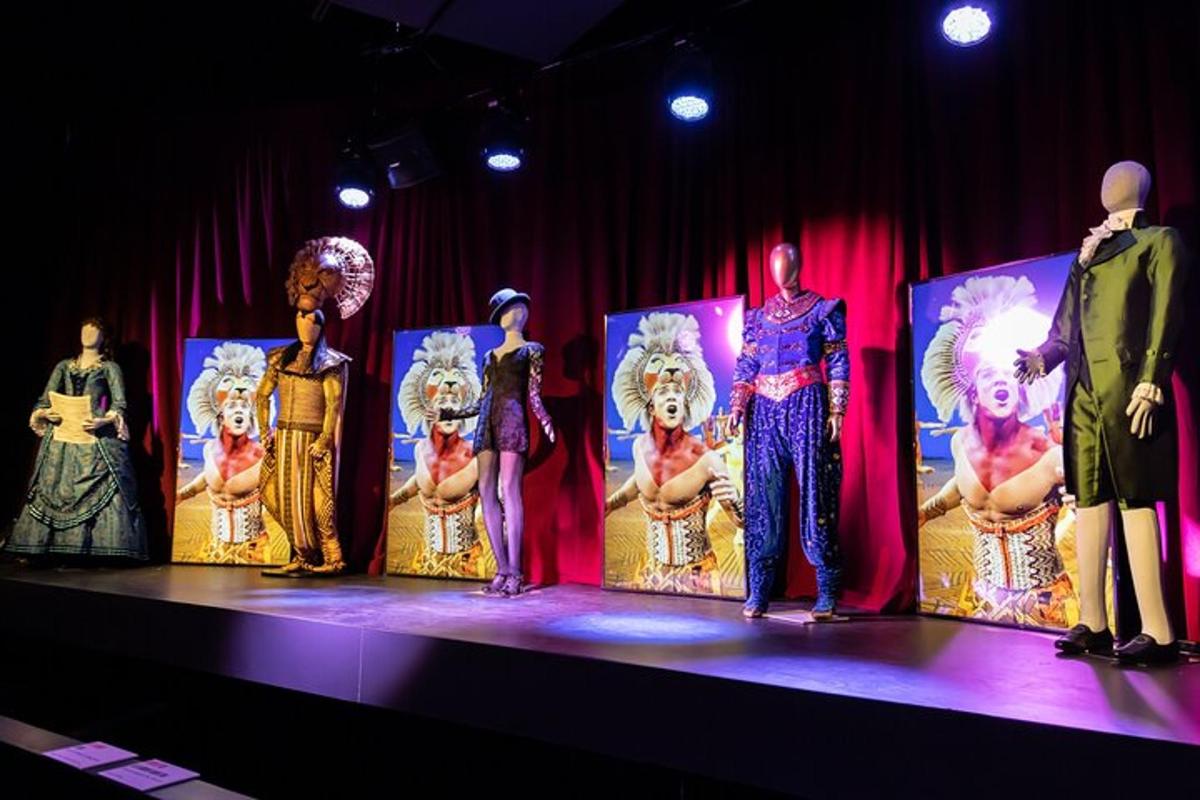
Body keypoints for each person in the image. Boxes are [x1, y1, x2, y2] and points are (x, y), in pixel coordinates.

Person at [1015, 160, 1188, 664]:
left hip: (1130, 390)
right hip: (1084, 395)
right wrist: (1042, 358)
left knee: (1136, 499)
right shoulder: (1086, 255)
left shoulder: (1160, 242)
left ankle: (1158, 629)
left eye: (1119, 177)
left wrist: (1153, 381)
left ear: (1138, 188)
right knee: (1088, 500)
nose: (1108, 184)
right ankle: (1092, 619)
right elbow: (1065, 327)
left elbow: (1166, 314)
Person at [918, 275, 1072, 626]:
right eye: (989, 374)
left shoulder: (1049, 455)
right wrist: (926, 512)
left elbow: (1084, 500)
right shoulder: (960, 442)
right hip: (982, 602)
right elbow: (961, 486)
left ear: (1022, 391)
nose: (1002, 380)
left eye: (1010, 375)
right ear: (974, 392)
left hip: (1045, 609)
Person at [730, 243, 848, 618]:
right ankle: (760, 590)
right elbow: (747, 363)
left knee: (815, 491)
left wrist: (837, 408)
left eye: (787, 261)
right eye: (776, 263)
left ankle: (826, 591)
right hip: (764, 409)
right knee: (764, 498)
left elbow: (838, 358)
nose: (781, 269)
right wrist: (737, 404)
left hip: (806, 402)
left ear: (798, 264)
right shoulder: (758, 317)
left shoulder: (821, 310)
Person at [605, 312, 743, 594]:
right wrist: (611, 503)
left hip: (697, 580)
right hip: (650, 575)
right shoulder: (638, 447)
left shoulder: (707, 460)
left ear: (686, 403)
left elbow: (742, 523)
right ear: (650, 405)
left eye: (677, 393)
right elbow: (639, 483)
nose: (671, 396)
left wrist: (738, 502)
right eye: (663, 392)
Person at [259, 236, 374, 576]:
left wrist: (325, 439)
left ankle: (333, 557)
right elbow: (261, 394)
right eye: (301, 317)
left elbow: (334, 403)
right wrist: (263, 429)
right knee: (277, 494)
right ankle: (301, 555)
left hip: (312, 440)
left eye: (313, 319)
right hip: (283, 436)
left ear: (322, 324)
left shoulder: (331, 362)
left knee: (317, 500)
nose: (306, 324)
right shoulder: (281, 357)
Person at [431, 289, 554, 596]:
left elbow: (534, 394)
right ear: (501, 317)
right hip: (486, 424)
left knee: (509, 490)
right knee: (486, 492)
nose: (520, 312)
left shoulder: (533, 350)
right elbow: (482, 398)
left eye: (522, 307)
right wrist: (453, 412)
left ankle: (516, 571)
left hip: (512, 422)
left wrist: (545, 418)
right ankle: (502, 568)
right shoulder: (489, 356)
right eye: (512, 308)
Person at [6, 318, 148, 561]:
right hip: (62, 433)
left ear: (104, 337)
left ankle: (97, 550)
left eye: (94, 330)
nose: (88, 333)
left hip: (92, 434)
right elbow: (44, 399)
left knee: (102, 484)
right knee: (52, 486)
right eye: (85, 328)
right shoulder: (64, 366)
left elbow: (119, 404)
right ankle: (45, 548)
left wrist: (103, 421)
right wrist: (45, 412)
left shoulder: (109, 368)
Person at [391, 331, 486, 578]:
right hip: (426, 562)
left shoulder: (476, 457)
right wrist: (395, 499)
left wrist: (483, 512)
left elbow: (492, 493)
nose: (448, 414)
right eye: (443, 408)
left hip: (466, 565)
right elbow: (420, 482)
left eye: (455, 409)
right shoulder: (419, 449)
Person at [176, 342, 274, 563]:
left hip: (252, 552)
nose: (239, 410)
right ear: (220, 415)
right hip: (216, 549)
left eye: (245, 408)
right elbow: (209, 478)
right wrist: (182, 495)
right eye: (231, 406)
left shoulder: (263, 456)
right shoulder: (209, 448)